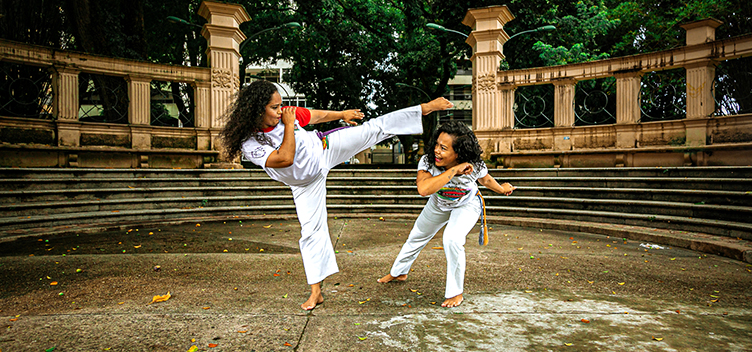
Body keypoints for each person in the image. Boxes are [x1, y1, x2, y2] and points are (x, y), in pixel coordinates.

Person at [220, 80, 453, 310]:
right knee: (311, 233)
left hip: (324, 149)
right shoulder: (251, 142)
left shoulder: (286, 116)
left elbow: (315, 116)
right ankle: (316, 293)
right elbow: (284, 159)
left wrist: (341, 114)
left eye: (281, 105)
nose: (280, 111)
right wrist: (289, 125)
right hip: (304, 184)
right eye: (274, 107)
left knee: (374, 128)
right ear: (256, 110)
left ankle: (426, 107)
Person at [377, 121, 515, 308]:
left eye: (443, 148)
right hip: (438, 204)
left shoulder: (475, 164)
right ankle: (399, 271)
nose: (437, 151)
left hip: (466, 205)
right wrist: (453, 171)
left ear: (459, 152)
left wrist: (502, 189)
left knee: (452, 240)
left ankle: (455, 292)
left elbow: (486, 179)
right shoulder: (427, 162)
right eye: (436, 145)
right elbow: (424, 189)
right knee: (416, 236)